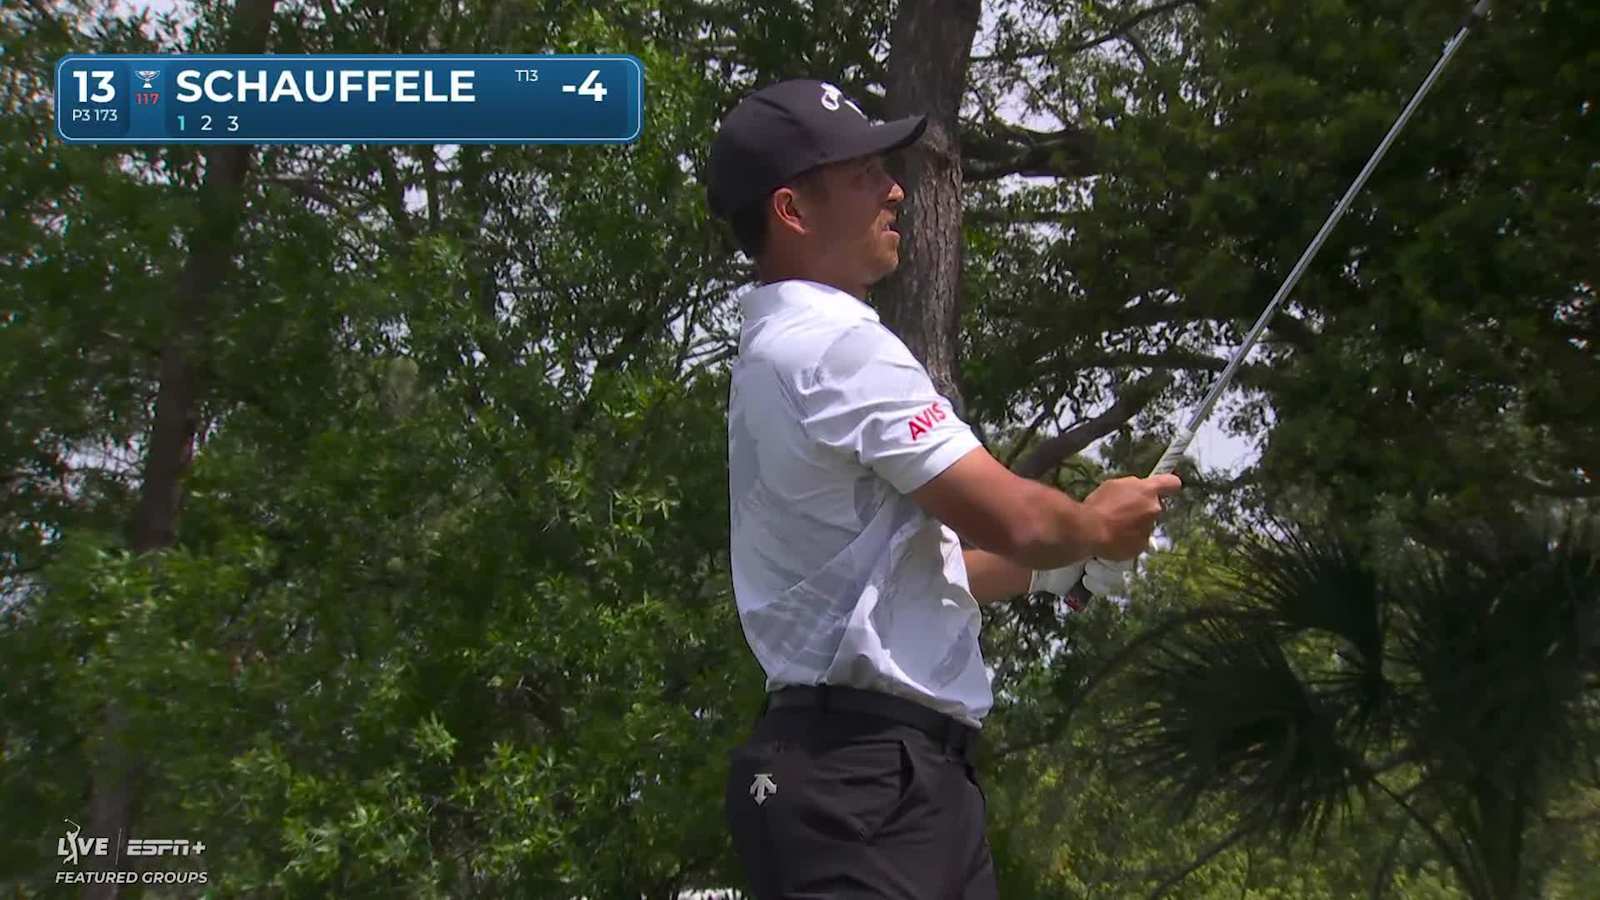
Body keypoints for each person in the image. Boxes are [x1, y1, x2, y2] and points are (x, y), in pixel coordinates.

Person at [707, 78, 1182, 899]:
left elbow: (917, 570)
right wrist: (1096, 525)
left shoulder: (779, 349)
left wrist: (1062, 569)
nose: (895, 189)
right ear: (792, 209)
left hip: (889, 785)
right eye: (863, 174)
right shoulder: (832, 345)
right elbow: (1021, 519)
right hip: (866, 787)